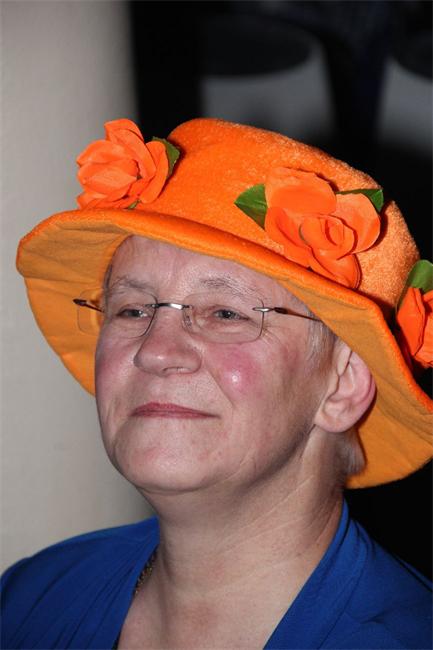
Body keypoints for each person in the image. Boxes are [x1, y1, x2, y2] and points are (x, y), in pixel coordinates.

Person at [1, 118, 432, 650]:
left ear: (342, 384)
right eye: (132, 309)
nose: (155, 351)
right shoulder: (32, 599)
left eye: (225, 313)